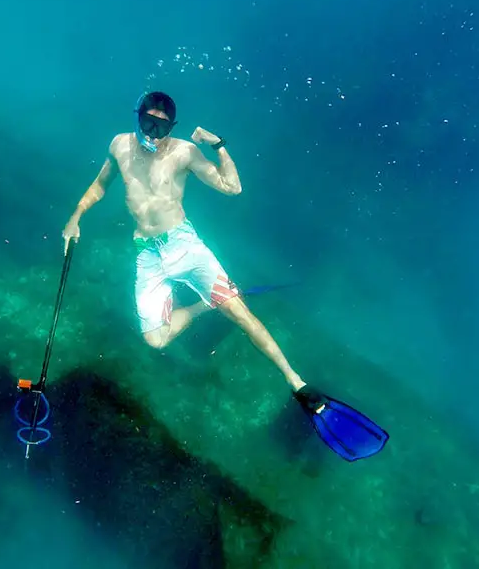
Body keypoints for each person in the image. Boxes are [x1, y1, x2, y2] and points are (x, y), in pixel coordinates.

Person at [62, 91, 315, 399]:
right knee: (155, 339)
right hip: (146, 251)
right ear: (137, 116)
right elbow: (101, 184)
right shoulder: (119, 145)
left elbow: (232, 187)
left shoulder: (184, 152)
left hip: (183, 244)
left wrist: (218, 146)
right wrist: (75, 217)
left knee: (238, 312)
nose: (153, 134)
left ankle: (294, 379)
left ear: (172, 128)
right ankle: (204, 304)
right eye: (148, 123)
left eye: (162, 128)